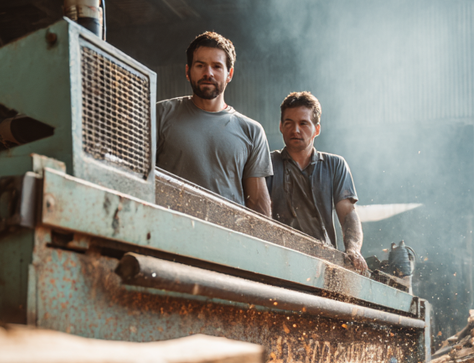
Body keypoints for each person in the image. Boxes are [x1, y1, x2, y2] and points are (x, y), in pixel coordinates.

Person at [156, 31, 272, 215]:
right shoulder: (160, 114)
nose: (208, 73)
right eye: (200, 65)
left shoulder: (252, 131)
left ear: (229, 74)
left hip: (227, 239)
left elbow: (258, 203)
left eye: (217, 66)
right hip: (168, 235)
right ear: (188, 71)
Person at [268, 91, 367, 274]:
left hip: (324, 266)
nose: (295, 129)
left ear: (317, 129)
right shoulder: (267, 163)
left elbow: (347, 214)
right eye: (289, 123)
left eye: (303, 123)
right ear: (281, 126)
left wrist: (353, 248)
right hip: (277, 261)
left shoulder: (334, 165)